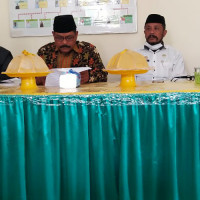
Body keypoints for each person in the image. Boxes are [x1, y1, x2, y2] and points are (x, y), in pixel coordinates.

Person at [37, 15, 107, 85]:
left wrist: (89, 76)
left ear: (76, 35)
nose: (64, 42)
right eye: (59, 38)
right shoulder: (44, 52)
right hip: (51, 94)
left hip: (81, 95)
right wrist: (36, 79)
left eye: (69, 37)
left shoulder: (89, 50)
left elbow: (103, 74)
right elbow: (32, 76)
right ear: (53, 35)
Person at [136, 14, 187, 82]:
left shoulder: (175, 54)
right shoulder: (134, 55)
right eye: (148, 28)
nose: (152, 32)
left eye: (156, 28)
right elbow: (129, 80)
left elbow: (180, 80)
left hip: (167, 92)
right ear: (144, 32)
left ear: (164, 33)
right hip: (141, 92)